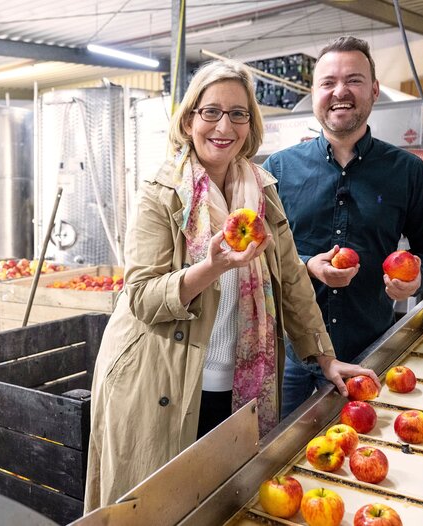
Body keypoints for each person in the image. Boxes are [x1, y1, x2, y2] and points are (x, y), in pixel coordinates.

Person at [84, 59, 379, 513]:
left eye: (238, 114)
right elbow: (141, 296)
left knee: (224, 502)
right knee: (158, 506)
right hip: (161, 375)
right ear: (189, 121)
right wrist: (212, 266)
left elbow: (292, 281)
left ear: (250, 123)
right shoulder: (162, 193)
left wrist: (325, 356)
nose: (225, 125)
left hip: (240, 378)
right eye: (211, 112)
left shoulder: (262, 190)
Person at [263, 36, 423, 419]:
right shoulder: (278, 170)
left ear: (375, 90)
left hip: (372, 352)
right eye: (328, 82)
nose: (340, 92)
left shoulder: (407, 171)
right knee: (279, 462)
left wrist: (418, 280)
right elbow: (260, 254)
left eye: (354, 80)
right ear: (314, 93)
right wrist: (306, 265)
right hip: (292, 359)